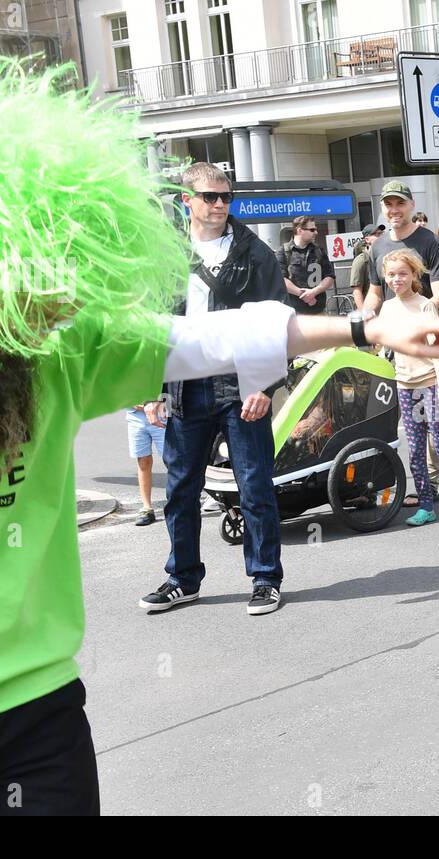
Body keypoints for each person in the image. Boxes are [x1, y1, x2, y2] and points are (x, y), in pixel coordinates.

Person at [0, 60, 439, 816]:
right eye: (35, 296)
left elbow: (204, 338)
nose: (52, 319)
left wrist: (363, 325)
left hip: (31, 706)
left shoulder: (47, 337)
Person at [138, 162, 290, 617]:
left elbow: (275, 324)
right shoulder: (165, 256)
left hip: (240, 383)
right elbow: (152, 326)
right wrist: (150, 390)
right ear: (188, 201)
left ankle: (265, 578)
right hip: (184, 385)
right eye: (210, 197)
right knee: (181, 490)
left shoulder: (255, 253)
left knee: (254, 486)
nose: (221, 204)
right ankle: (182, 578)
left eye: (226, 197)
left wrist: (263, 385)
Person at [363, 181, 439, 508]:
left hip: (424, 338)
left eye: (399, 203)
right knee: (393, 412)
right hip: (391, 342)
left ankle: (429, 482)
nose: (393, 210)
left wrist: (417, 316)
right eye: (388, 204)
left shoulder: (430, 242)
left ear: (411, 205)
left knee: (431, 414)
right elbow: (375, 291)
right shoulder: (378, 247)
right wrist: (367, 315)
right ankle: (394, 478)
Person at [379, 250, 439, 527]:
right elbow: (385, 348)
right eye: (392, 274)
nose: (397, 279)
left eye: (403, 273)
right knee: (415, 450)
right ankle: (426, 506)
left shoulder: (425, 306)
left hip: (429, 384)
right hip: (404, 387)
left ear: (414, 275)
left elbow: (438, 352)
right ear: (385, 276)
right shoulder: (387, 308)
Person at [277, 215, 337, 316]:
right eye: (312, 230)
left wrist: (314, 292)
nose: (316, 233)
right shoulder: (283, 252)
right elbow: (281, 279)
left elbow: (330, 276)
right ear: (300, 230)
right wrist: (304, 295)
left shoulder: (319, 251)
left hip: (319, 311)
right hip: (294, 314)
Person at [127, 405, 166, 525]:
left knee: (173, 460)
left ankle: (183, 501)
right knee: (143, 461)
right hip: (135, 416)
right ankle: (146, 508)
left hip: (161, 413)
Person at [349, 223, 382, 303]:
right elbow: (357, 291)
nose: (380, 237)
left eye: (381, 233)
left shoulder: (385, 257)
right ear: (367, 239)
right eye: (376, 234)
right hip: (370, 309)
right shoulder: (361, 261)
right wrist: (363, 312)